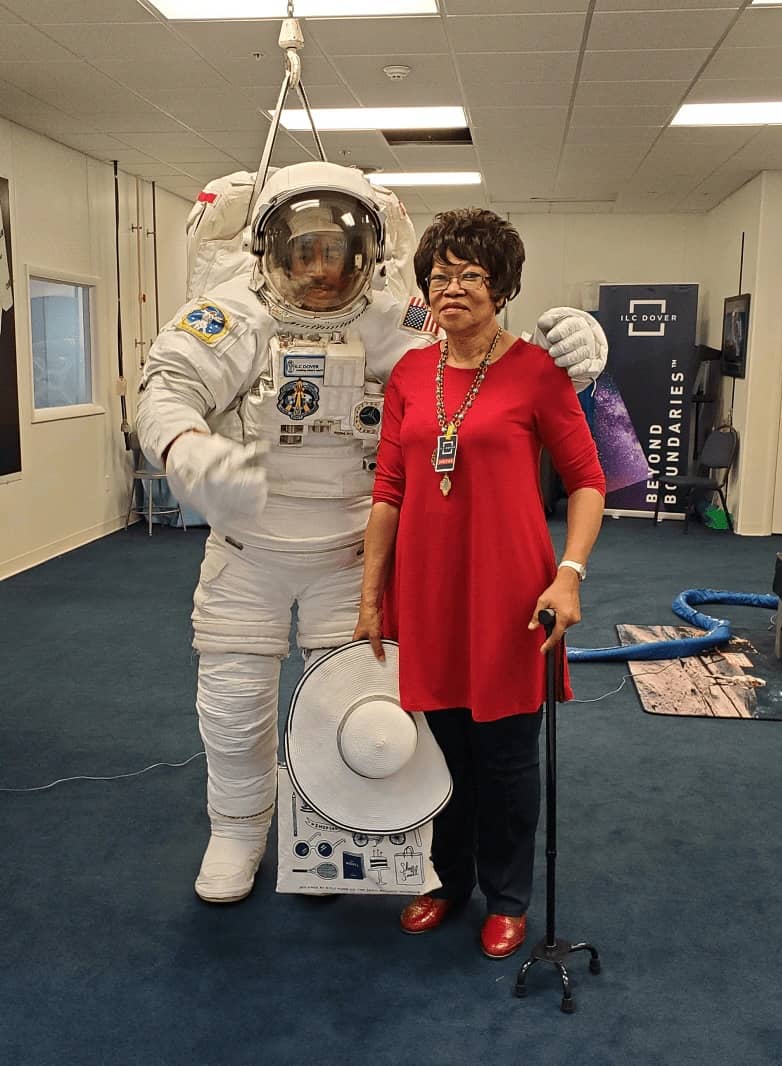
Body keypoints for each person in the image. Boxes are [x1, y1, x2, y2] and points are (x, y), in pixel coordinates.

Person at [136, 161, 608, 905]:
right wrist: (186, 446)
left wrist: (577, 348)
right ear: (271, 248)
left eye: (336, 251)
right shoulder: (232, 310)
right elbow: (168, 384)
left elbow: (482, 359)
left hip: (350, 553)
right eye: (304, 249)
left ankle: (330, 826)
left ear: (367, 253)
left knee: (353, 713)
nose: (320, 269)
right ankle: (235, 829)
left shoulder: (393, 316)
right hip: (247, 546)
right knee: (232, 707)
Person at [353, 207, 606, 959]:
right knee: (440, 753)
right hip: (428, 592)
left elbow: (588, 481)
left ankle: (508, 895)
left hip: (512, 595)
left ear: (502, 288)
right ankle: (446, 880)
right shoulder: (408, 373)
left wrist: (570, 574)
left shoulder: (536, 373)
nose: (452, 287)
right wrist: (371, 596)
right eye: (440, 275)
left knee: (504, 758)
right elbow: (389, 490)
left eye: (470, 275)